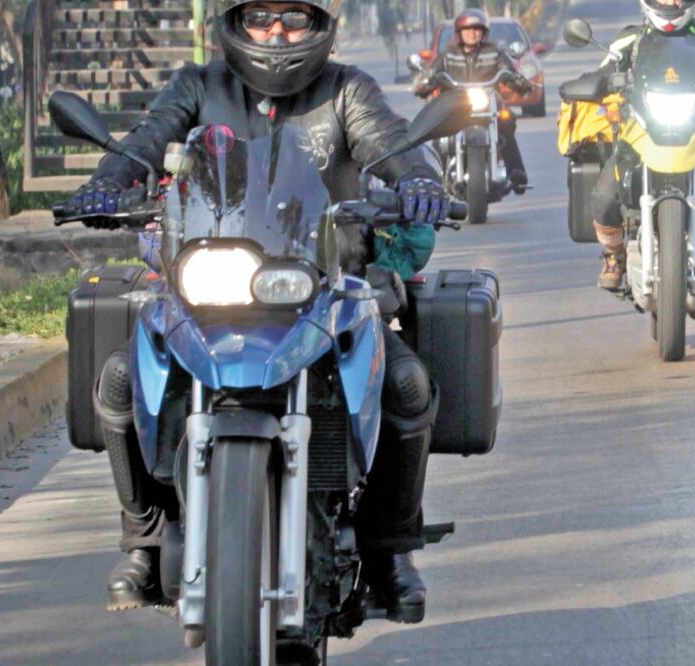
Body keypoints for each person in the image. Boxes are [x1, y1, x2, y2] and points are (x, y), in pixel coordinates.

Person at [67, 0, 450, 624]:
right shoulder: (199, 85)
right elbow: (147, 139)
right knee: (118, 377)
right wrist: (112, 178)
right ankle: (143, 538)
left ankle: (391, 551)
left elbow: (391, 142)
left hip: (325, 284)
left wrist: (418, 180)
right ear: (237, 23)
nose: (277, 32)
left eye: (294, 17)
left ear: (319, 25)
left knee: (407, 384)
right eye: (262, 17)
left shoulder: (347, 90)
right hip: (207, 284)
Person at [589, 0, 695, 301]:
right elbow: (605, 70)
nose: (672, 2)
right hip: (642, 128)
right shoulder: (630, 38)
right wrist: (594, 84)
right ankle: (614, 254)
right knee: (606, 190)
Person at [415, 8, 531, 193]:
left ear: (484, 32)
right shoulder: (448, 56)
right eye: (467, 29)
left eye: (477, 28)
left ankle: (516, 172)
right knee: (437, 134)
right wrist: (425, 82)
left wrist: (518, 81)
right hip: (455, 106)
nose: (472, 32)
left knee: (506, 122)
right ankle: (433, 179)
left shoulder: (494, 54)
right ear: (459, 33)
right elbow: (431, 74)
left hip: (487, 104)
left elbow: (509, 71)